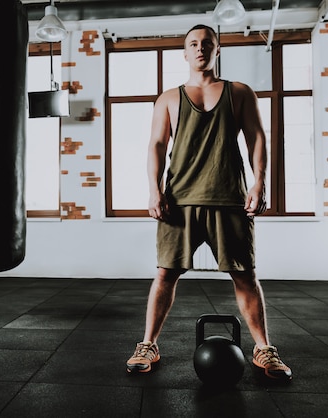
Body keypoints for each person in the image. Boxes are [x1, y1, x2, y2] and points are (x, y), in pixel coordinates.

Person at [126, 24, 292, 381]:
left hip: (229, 197)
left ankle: (264, 349)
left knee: (245, 276)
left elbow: (257, 139)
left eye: (207, 43)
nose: (200, 48)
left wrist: (260, 181)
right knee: (165, 275)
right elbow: (156, 144)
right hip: (179, 199)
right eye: (193, 44)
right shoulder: (169, 98)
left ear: (218, 50)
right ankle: (147, 344)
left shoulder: (240, 92)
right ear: (185, 53)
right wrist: (154, 190)